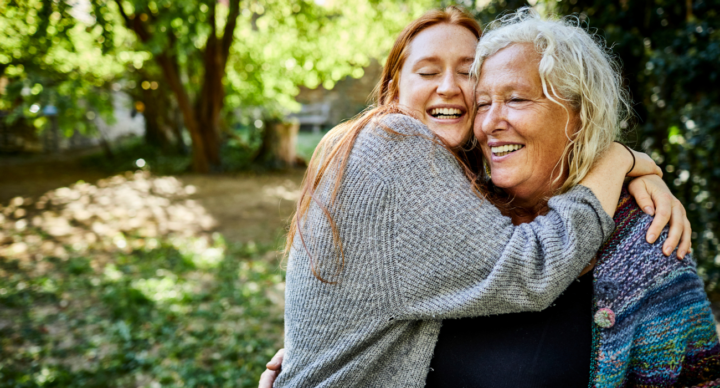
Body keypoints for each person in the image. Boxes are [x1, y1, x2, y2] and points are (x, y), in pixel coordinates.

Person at [261, 7, 693, 388]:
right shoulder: (393, 142)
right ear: (393, 91)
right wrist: (618, 160)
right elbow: (530, 268)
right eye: (428, 72)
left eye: (468, 73)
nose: (450, 87)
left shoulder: (464, 193)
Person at [424, 9, 719, 387]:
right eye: (482, 103)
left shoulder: (644, 240)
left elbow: (699, 379)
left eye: (515, 99)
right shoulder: (454, 216)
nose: (489, 123)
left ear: (579, 115)